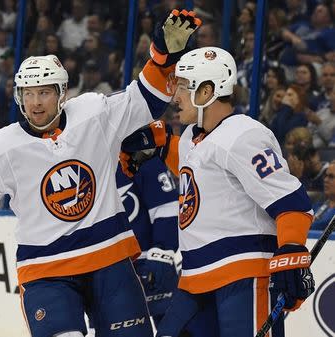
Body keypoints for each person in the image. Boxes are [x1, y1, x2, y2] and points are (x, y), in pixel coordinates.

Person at [0, 9, 202, 337]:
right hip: (45, 271)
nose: (36, 102)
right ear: (19, 96)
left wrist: (162, 58)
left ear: (62, 94)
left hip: (109, 259)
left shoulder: (93, 113)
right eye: (29, 93)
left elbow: (145, 99)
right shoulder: (1, 146)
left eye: (45, 92)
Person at [120, 46, 315, 337]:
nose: (176, 96)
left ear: (206, 91)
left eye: (184, 86)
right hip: (195, 280)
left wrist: (291, 250)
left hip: (244, 276)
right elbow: (199, 168)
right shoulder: (192, 135)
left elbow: (291, 202)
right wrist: (160, 144)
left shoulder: (244, 135)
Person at [117, 153, 179, 328]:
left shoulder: (136, 156)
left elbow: (166, 206)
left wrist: (162, 252)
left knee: (174, 327)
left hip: (151, 265)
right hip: (113, 271)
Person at [311, 160, 335, 230]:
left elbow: (325, 224)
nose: (325, 180)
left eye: (331, 177)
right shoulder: (317, 206)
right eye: (326, 176)